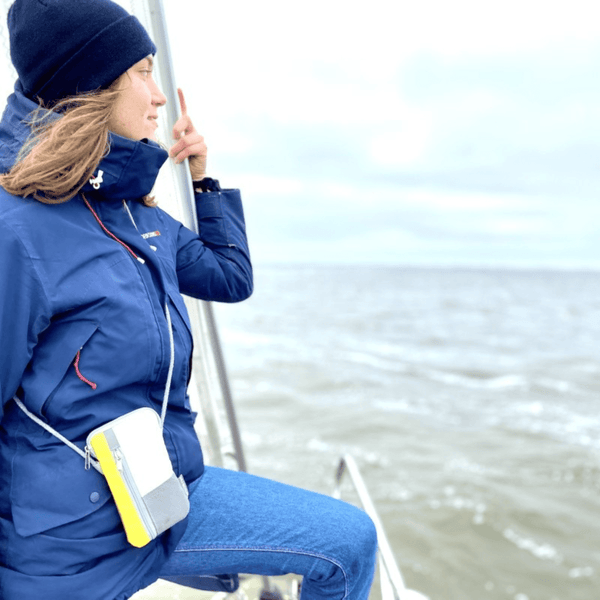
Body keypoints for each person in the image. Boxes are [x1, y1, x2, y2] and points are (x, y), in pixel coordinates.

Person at [0, 1, 378, 599]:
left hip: (161, 498)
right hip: (68, 551)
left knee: (350, 542)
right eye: (143, 73)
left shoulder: (132, 214)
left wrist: (202, 178)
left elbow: (230, 277)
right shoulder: (15, 230)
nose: (159, 100)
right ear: (92, 87)